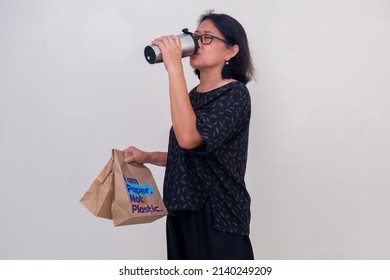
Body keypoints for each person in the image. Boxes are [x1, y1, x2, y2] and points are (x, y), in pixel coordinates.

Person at [124, 11, 255, 260]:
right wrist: (149, 156)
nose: (196, 43)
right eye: (195, 36)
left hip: (217, 215)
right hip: (181, 209)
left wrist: (174, 69)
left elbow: (188, 137)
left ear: (231, 51)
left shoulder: (235, 94)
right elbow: (192, 153)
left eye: (207, 38)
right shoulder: (192, 96)